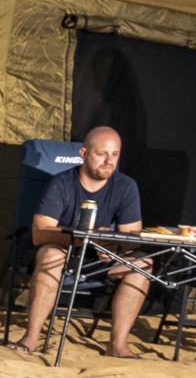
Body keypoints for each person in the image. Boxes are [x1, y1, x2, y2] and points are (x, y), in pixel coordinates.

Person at [14, 127, 157, 357]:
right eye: (102, 154)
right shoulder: (60, 184)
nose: (109, 161)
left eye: (115, 154)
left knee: (143, 264)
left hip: (98, 259)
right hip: (61, 252)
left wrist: (114, 246)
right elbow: (40, 233)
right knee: (52, 255)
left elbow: (132, 238)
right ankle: (30, 337)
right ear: (84, 153)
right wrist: (87, 239)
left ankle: (117, 345)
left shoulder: (125, 186)